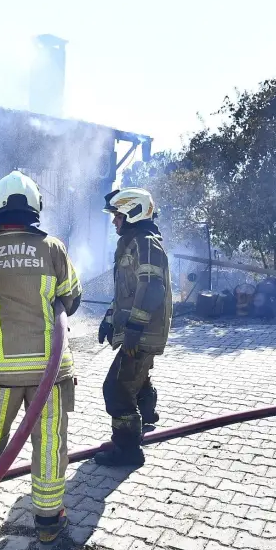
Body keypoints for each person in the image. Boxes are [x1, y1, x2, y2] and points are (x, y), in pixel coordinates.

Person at [0, 170, 82, 543]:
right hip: (49, 370)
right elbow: (71, 296)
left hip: (2, 371)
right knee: (49, 442)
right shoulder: (53, 248)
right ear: (35, 206)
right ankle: (48, 520)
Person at [96, 187, 172, 467]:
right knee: (134, 376)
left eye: (117, 216)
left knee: (116, 389)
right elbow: (126, 292)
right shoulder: (133, 243)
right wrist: (109, 318)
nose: (114, 221)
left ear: (133, 213)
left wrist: (135, 328)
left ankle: (128, 449)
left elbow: (152, 288)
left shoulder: (146, 243)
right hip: (137, 331)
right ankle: (147, 413)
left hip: (143, 332)